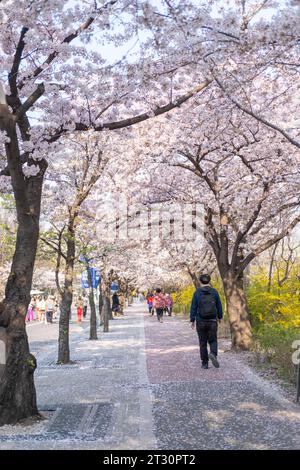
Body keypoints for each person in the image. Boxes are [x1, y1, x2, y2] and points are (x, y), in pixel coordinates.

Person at [190, 274, 223, 369]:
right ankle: (213, 353)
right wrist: (220, 317)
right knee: (213, 340)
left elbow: (193, 307)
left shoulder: (197, 292)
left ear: (200, 281)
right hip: (212, 320)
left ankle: (205, 363)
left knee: (202, 342)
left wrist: (192, 320)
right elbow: (219, 305)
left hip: (200, 321)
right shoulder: (214, 292)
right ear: (209, 281)